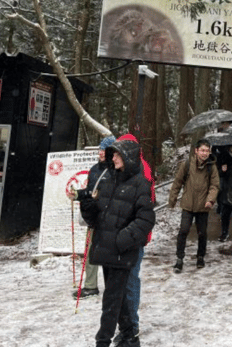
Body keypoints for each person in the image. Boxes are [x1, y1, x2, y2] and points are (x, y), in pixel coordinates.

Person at [77, 138, 155, 347]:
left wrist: (122, 240)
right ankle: (130, 335)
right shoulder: (109, 179)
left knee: (111, 300)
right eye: (112, 154)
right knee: (117, 298)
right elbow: (98, 218)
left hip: (121, 251)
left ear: (128, 157)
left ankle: (102, 341)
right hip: (106, 249)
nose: (113, 157)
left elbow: (146, 219)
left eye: (118, 154)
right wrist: (87, 205)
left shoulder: (140, 184)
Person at [112, 133, 156, 346]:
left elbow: (145, 210)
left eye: (118, 151)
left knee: (129, 282)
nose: (113, 156)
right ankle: (126, 326)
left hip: (132, 237)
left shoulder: (142, 170)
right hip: (117, 237)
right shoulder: (121, 169)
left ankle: (132, 328)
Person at [168, 139, 219, 272]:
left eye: (207, 151)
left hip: (203, 206)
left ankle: (200, 256)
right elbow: (177, 182)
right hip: (188, 205)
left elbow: (215, 185)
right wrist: (172, 200)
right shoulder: (187, 164)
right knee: (183, 230)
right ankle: (179, 259)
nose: (204, 153)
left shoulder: (211, 166)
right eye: (202, 150)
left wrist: (210, 200)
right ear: (196, 151)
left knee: (202, 233)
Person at [79, 135, 116, 299]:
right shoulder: (94, 169)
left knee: (109, 254)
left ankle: (112, 287)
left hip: (109, 219)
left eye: (104, 150)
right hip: (93, 217)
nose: (100, 153)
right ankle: (90, 286)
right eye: (100, 149)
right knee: (90, 252)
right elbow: (89, 191)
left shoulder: (116, 170)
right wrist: (79, 196)